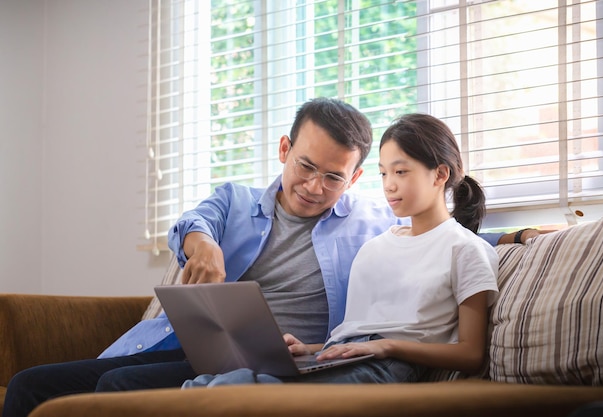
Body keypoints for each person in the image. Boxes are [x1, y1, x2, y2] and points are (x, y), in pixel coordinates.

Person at [2, 100, 522, 416]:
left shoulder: (373, 223)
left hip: (287, 358)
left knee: (117, 389)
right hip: (194, 346)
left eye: (334, 177)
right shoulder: (234, 201)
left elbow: (443, 234)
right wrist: (199, 243)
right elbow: (190, 222)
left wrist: (518, 234)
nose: (316, 187)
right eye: (306, 166)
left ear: (354, 178)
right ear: (283, 149)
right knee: (29, 383)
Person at [182, 112, 499, 387]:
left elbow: (470, 354)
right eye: (384, 172)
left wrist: (387, 347)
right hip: (342, 355)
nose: (389, 184)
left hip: (387, 365)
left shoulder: (465, 249)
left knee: (240, 388)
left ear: (440, 175)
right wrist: (310, 349)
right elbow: (357, 333)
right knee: (210, 382)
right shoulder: (376, 246)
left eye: (400, 172)